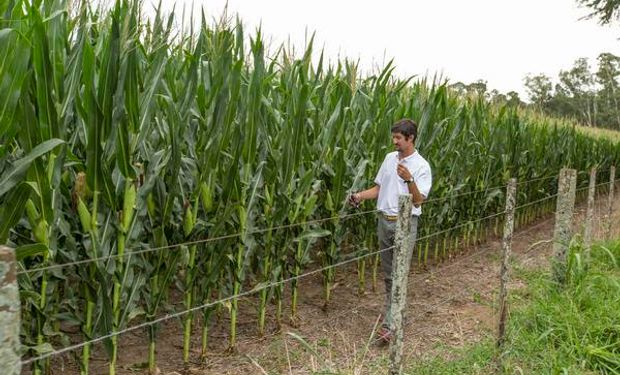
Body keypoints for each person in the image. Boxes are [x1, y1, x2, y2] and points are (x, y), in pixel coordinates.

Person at [349, 118, 432, 343]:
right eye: (393, 137)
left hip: (405, 224)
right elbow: (378, 188)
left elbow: (418, 201)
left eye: (398, 138)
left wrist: (409, 179)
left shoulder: (421, 166)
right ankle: (396, 316)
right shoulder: (388, 159)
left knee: (399, 275)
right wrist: (358, 196)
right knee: (389, 276)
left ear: (410, 138)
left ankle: (390, 326)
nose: (394, 141)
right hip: (383, 222)